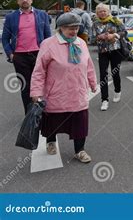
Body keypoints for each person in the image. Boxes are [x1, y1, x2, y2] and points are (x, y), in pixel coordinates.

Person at [30, 13, 97, 163]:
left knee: (80, 122)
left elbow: (89, 66)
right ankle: (51, 142)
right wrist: (36, 92)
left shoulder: (81, 43)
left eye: (76, 28)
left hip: (78, 92)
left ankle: (79, 150)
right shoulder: (48, 44)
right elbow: (39, 70)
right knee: (53, 122)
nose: (74, 31)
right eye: (69, 28)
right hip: (56, 93)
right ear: (60, 28)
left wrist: (93, 82)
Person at [2, 0, 51, 114]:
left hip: (38, 54)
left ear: (31, 0)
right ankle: (29, 115)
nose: (24, 0)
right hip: (19, 56)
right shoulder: (11, 17)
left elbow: (48, 36)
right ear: (18, 1)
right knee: (26, 86)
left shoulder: (42, 15)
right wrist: (10, 54)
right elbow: (5, 38)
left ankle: (43, 112)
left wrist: (48, 53)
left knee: (42, 84)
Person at [93, 3, 127, 111]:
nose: (102, 13)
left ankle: (117, 91)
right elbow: (92, 38)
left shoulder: (115, 21)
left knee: (115, 72)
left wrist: (115, 35)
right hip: (102, 52)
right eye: (100, 11)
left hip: (115, 50)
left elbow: (124, 32)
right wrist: (99, 37)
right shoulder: (95, 23)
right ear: (97, 13)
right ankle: (104, 100)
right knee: (103, 74)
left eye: (104, 11)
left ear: (108, 12)